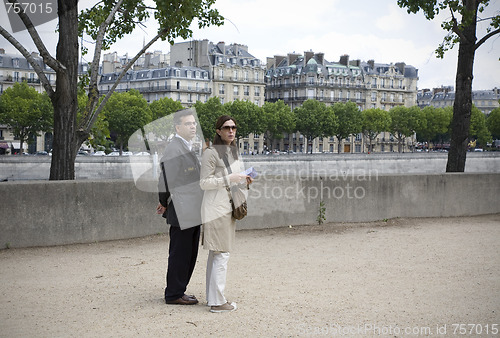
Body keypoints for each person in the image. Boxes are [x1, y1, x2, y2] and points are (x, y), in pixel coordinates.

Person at [199, 115, 253, 313]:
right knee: (222, 254)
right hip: (216, 209)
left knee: (217, 254)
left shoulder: (234, 152)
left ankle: (213, 298)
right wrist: (230, 177)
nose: (231, 131)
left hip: (228, 207)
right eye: (226, 127)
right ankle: (217, 302)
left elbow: (234, 180)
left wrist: (244, 180)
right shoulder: (210, 153)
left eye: (234, 128)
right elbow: (204, 183)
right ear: (218, 131)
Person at [157, 109, 203, 305]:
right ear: (178, 127)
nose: (193, 126)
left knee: (188, 252)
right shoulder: (174, 148)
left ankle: (179, 290)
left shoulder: (183, 146)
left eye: (193, 123)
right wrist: (163, 201)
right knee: (181, 253)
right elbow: (165, 180)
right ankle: (174, 293)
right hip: (183, 209)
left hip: (190, 209)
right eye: (188, 124)